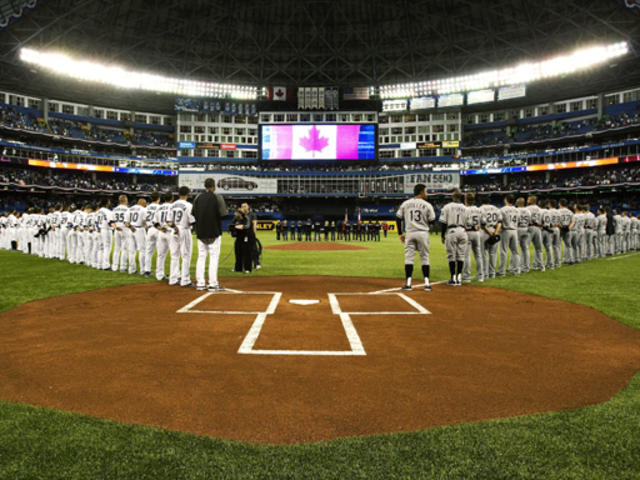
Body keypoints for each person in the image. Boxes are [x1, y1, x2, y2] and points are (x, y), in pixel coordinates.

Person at [396, 183, 436, 291]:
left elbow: (398, 218)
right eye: (425, 191)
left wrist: (400, 233)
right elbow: (432, 221)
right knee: (424, 257)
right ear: (421, 192)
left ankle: (408, 283)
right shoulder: (427, 205)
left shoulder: (406, 203)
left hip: (410, 233)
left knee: (409, 258)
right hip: (422, 233)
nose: (426, 193)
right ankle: (427, 284)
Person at [192, 178, 227, 291]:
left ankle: (200, 283)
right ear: (214, 186)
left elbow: (193, 213)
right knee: (213, 257)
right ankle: (212, 283)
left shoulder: (197, 197)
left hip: (200, 231)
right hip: (214, 231)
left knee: (201, 257)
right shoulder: (218, 197)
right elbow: (223, 213)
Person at [440, 189, 468, 286]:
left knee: (451, 256)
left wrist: (442, 235)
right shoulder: (465, 208)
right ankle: (459, 277)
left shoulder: (447, 207)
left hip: (452, 231)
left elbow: (443, 223)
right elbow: (468, 223)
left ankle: (453, 278)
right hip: (463, 231)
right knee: (461, 255)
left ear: (453, 197)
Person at [462, 192, 484, 283]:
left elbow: (462, 223)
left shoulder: (463, 210)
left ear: (465, 200)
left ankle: (467, 276)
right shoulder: (478, 209)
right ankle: (480, 276)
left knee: (466, 255)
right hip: (476, 233)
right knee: (478, 255)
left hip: (467, 233)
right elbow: (483, 222)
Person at [479, 195, 502, 279]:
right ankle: (492, 273)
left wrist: (489, 232)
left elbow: (482, 224)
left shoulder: (480, 209)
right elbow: (500, 222)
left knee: (484, 253)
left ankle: (485, 274)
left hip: (484, 232)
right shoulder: (496, 208)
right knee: (493, 253)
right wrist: (495, 232)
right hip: (494, 230)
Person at [497, 194, 520, 277]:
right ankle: (517, 271)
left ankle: (502, 271)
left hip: (505, 231)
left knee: (503, 251)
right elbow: (519, 221)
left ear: (506, 200)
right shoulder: (517, 210)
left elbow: (499, 222)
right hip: (514, 230)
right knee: (515, 252)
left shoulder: (502, 210)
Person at [153, 193, 174, 281]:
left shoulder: (159, 207)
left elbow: (154, 222)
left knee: (160, 255)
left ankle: (159, 275)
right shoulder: (173, 206)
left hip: (161, 232)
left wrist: (160, 228)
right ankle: (174, 275)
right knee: (174, 255)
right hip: (170, 232)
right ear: (172, 198)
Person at [142, 192, 161, 276]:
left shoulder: (147, 207)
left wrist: (147, 227)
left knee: (148, 251)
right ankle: (159, 272)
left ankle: (147, 271)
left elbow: (144, 220)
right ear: (158, 198)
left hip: (149, 229)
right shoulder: (160, 207)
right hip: (158, 229)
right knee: (160, 252)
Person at [111, 195, 131, 272]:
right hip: (124, 229)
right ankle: (123, 266)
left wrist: (116, 227)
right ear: (125, 200)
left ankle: (114, 266)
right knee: (125, 249)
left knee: (116, 249)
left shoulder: (115, 209)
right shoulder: (127, 209)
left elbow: (112, 221)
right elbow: (128, 222)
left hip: (117, 229)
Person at [128, 198, 147, 275]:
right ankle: (143, 270)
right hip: (139, 229)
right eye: (145, 203)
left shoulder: (130, 208)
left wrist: (130, 227)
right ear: (142, 203)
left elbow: (126, 221)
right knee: (142, 250)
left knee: (132, 251)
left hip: (131, 229)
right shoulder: (143, 209)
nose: (146, 205)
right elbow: (145, 221)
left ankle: (131, 269)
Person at [232, 208, 253, 273]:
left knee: (246, 254)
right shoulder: (235, 219)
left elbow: (248, 226)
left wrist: (242, 227)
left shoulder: (246, 218)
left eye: (236, 213)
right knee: (238, 253)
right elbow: (233, 226)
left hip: (246, 238)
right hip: (238, 238)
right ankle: (238, 268)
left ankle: (247, 269)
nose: (235, 214)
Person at [515, 197, 531, 274]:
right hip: (526, 228)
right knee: (525, 248)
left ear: (518, 203)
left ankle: (516, 268)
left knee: (515, 249)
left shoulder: (516, 210)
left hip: (518, 229)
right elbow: (530, 221)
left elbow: (516, 221)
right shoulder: (528, 211)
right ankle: (526, 267)